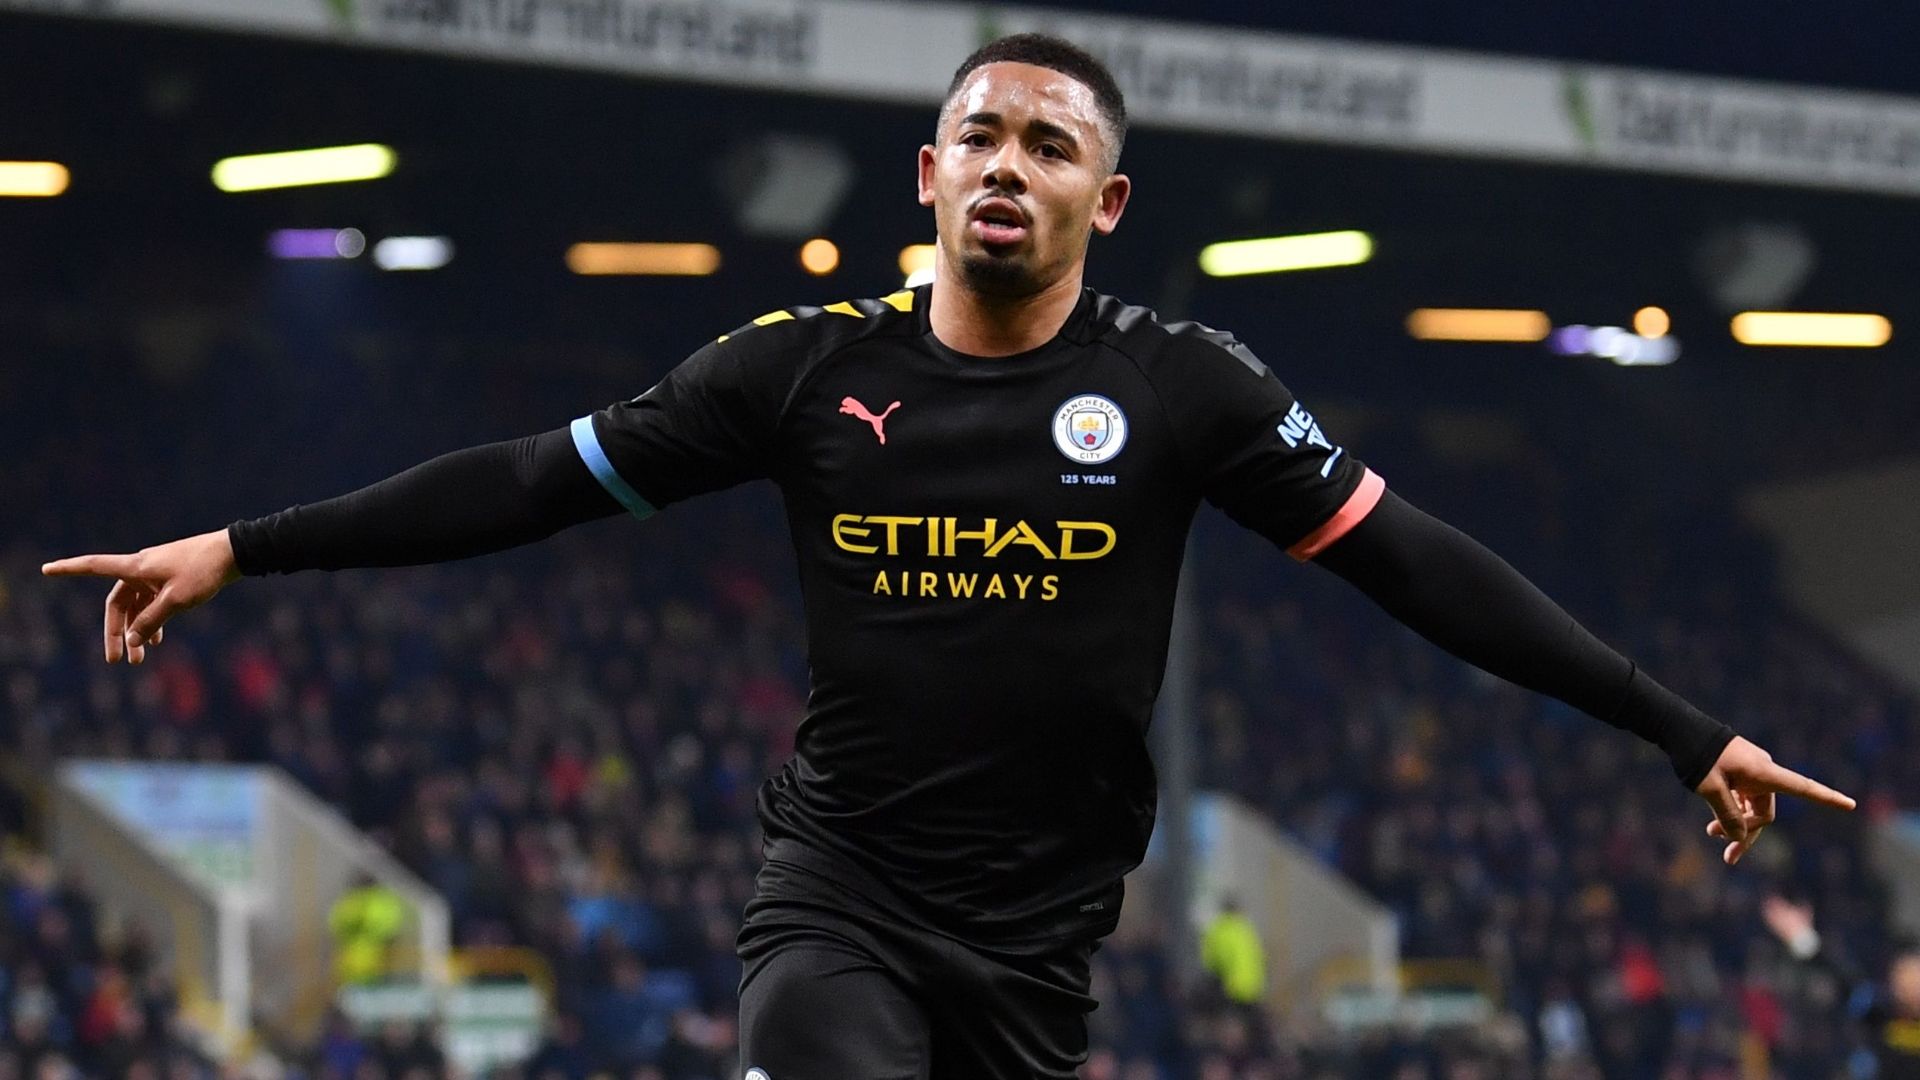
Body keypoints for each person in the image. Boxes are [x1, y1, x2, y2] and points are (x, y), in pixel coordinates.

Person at [44, 32, 1858, 1080]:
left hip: (1045, 942)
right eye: (979, 133)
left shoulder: (1187, 387)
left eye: (1049, 142)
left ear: (1104, 201)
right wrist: (242, 546)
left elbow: (1422, 568)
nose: (1009, 159)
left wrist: (1678, 724)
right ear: (926, 175)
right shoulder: (798, 368)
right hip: (838, 892)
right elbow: (528, 480)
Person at [1762, 894, 1920, 1078]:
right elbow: (1844, 982)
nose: (1911, 986)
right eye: (1904, 977)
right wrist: (1803, 939)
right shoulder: (1881, 1015)